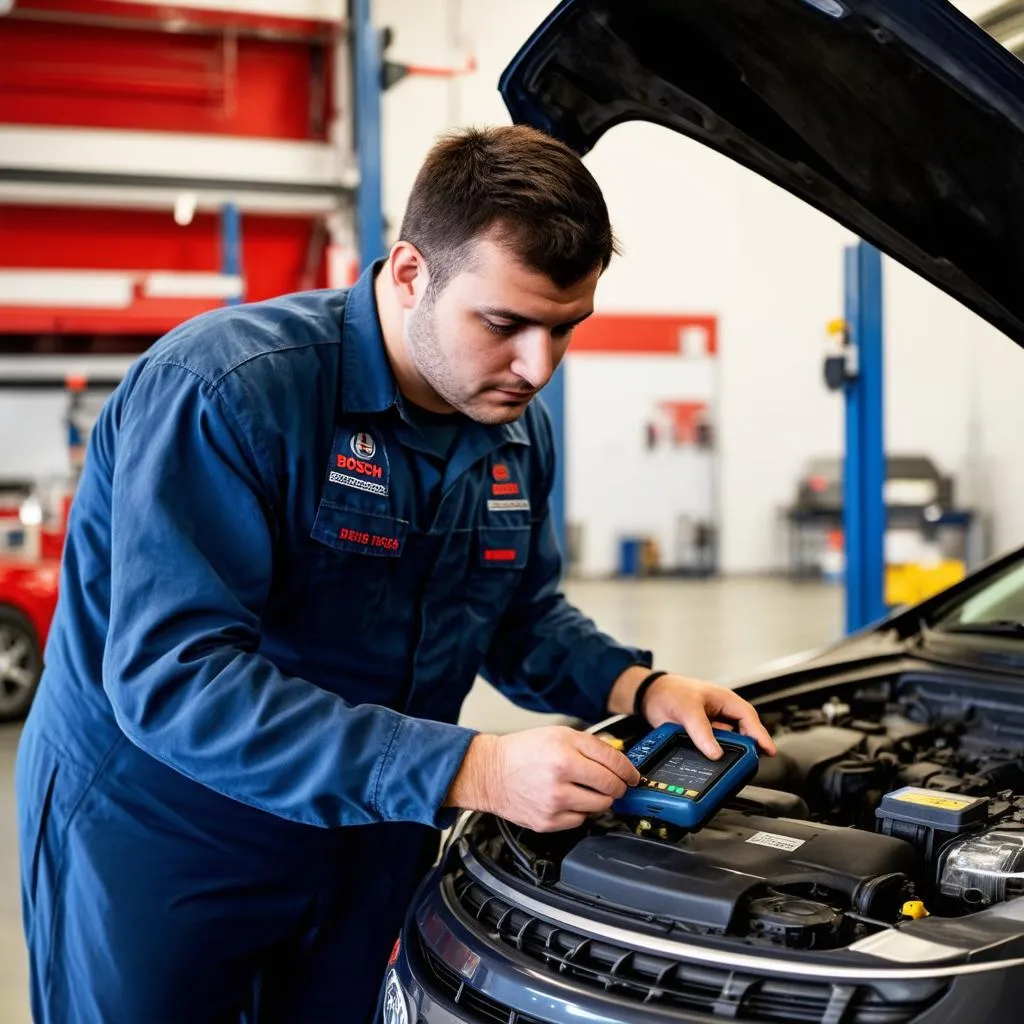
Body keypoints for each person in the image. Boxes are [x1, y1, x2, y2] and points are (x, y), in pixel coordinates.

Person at [16, 125, 775, 1024]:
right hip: (170, 835)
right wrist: (474, 768)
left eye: (565, 329)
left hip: (374, 832)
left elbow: (515, 615)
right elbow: (176, 682)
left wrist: (640, 685)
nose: (538, 367)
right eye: (505, 324)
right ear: (412, 272)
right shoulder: (227, 391)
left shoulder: (512, 428)